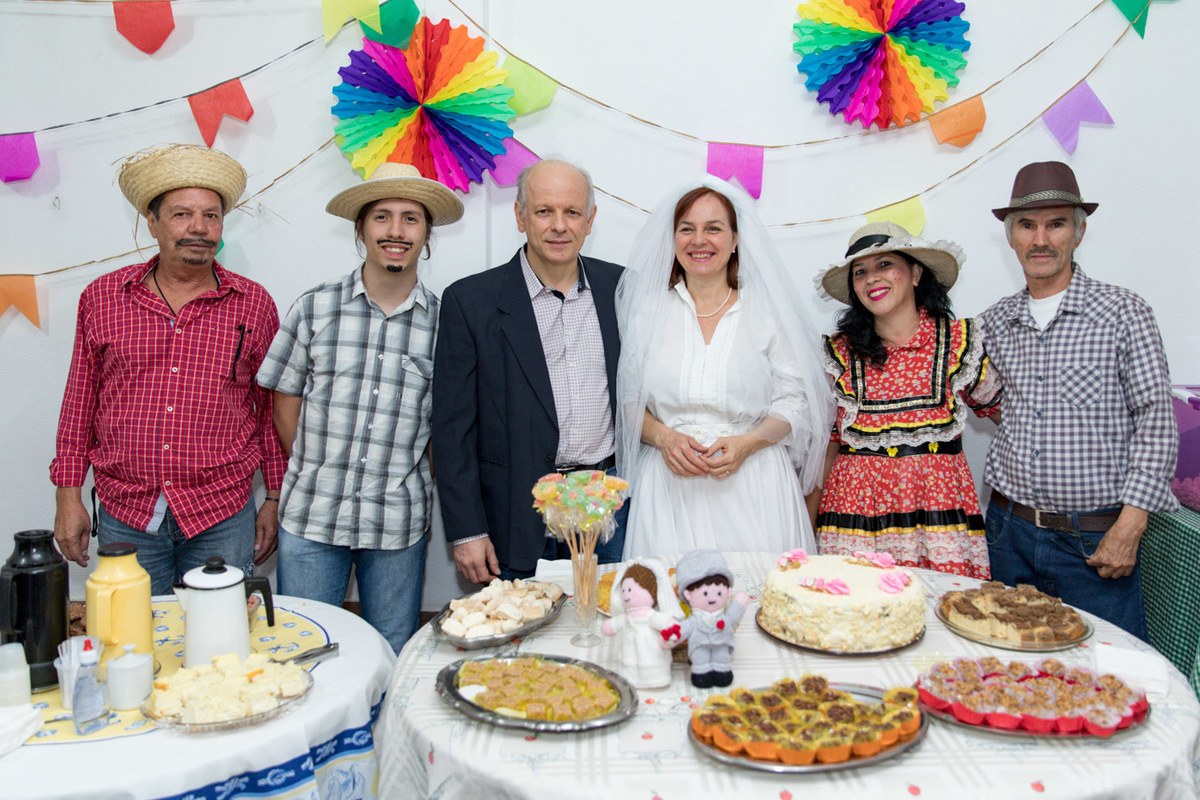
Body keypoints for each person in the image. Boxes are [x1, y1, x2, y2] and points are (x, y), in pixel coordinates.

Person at [51, 144, 286, 595]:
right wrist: (67, 495)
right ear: (152, 221)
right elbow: (79, 403)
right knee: (132, 643)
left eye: (211, 216)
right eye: (181, 214)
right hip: (127, 511)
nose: (198, 228)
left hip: (221, 510)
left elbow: (268, 412)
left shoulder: (254, 304)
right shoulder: (103, 297)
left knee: (220, 643)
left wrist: (273, 498)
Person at [256, 163, 462, 653]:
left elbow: (445, 424)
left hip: (396, 520)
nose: (396, 231)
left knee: (390, 648)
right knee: (303, 649)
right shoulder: (315, 307)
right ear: (361, 229)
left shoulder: (445, 324)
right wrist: (315, 467)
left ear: (427, 234)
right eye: (382, 217)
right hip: (311, 513)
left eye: (411, 218)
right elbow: (284, 399)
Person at [980, 161, 1178, 641]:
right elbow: (987, 401)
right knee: (1008, 670)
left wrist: (1129, 526)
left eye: (1056, 223)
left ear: (1079, 232)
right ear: (1011, 238)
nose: (1040, 239)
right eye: (1027, 226)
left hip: (1093, 542)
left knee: (1110, 675)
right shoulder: (993, 323)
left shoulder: (1123, 312)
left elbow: (1155, 418)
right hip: (1008, 533)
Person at [615, 177, 832, 558]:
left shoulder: (767, 312)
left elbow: (796, 402)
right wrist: (666, 438)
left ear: (735, 241)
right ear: (673, 239)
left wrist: (747, 444)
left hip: (755, 485)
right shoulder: (647, 312)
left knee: (761, 605)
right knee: (665, 607)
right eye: (687, 229)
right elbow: (629, 402)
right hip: (668, 489)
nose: (699, 240)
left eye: (713, 228)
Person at [433, 160, 625, 582]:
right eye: (544, 211)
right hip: (516, 513)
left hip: (609, 508)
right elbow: (452, 431)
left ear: (589, 220)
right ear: (520, 216)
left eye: (572, 212)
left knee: (609, 632)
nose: (559, 226)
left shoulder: (622, 290)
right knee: (528, 638)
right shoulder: (470, 302)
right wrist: (467, 529)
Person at [813, 222, 1002, 578]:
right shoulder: (837, 355)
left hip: (937, 520)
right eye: (861, 272)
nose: (872, 279)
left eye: (885, 264)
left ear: (915, 273)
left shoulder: (958, 344)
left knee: (943, 622)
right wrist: (807, 527)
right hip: (854, 522)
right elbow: (827, 449)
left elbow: (1007, 419)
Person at [600, 558, 683, 689]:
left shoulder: (652, 616)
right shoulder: (627, 618)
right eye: (624, 590)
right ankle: (630, 677)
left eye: (631, 590)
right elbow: (611, 626)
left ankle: (656, 678)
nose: (627, 595)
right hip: (629, 664)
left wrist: (670, 629)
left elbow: (666, 622)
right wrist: (610, 626)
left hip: (654, 663)